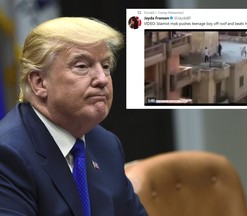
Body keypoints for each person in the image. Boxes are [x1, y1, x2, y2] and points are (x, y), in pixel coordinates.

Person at [0, 17, 147, 216]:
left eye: (105, 66)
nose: (102, 79)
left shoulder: (107, 145)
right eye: (82, 66)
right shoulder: (8, 154)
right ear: (39, 83)